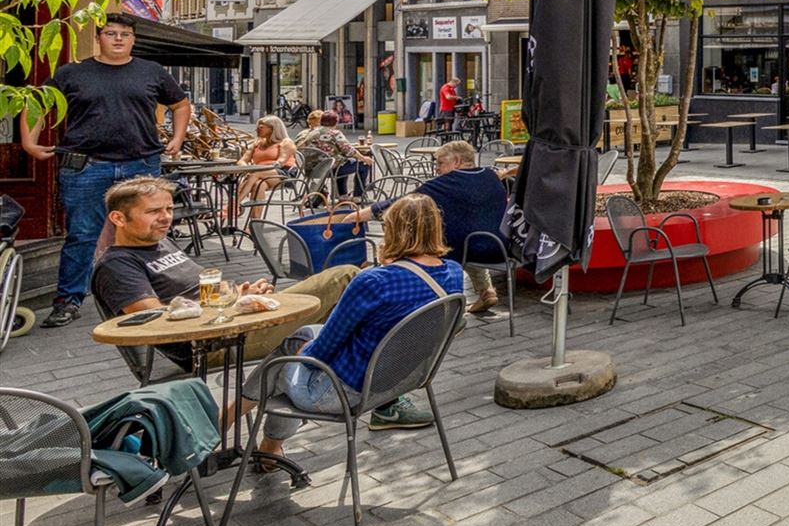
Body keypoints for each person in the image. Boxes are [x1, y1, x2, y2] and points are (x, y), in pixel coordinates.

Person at [20, 12, 193, 329]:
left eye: (124, 34)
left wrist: (178, 137)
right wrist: (29, 142)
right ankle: (69, 301)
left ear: (133, 39)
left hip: (141, 164)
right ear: (98, 37)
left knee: (148, 232)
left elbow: (180, 104)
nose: (118, 39)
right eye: (111, 33)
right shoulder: (72, 73)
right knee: (82, 236)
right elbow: (38, 104)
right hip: (87, 165)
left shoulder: (151, 71)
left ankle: (152, 294)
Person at [257, 194, 463, 456]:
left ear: (393, 230)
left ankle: (259, 437)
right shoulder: (454, 273)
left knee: (285, 356)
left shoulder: (374, 281)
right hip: (399, 382)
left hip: (343, 392)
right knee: (303, 336)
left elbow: (323, 349)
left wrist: (301, 355)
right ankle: (263, 441)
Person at [92, 177, 354, 370]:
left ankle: (335, 373)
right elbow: (155, 322)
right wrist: (230, 305)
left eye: (169, 209)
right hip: (215, 345)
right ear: (118, 218)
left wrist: (242, 293)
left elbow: (203, 292)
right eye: (153, 211)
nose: (166, 218)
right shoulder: (118, 265)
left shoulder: (159, 242)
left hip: (236, 320)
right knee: (345, 280)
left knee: (350, 289)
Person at [369, 139, 507, 314]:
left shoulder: (446, 183)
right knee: (468, 233)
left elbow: (401, 203)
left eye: (441, 163)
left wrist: (359, 215)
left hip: (466, 251)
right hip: (501, 246)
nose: (437, 169)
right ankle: (486, 290)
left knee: (432, 242)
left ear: (456, 161)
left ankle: (439, 302)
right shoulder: (490, 175)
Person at [297, 110, 373, 195]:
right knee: (362, 165)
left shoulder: (311, 133)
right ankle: (358, 196)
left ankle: (343, 195)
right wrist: (365, 158)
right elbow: (349, 150)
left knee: (343, 161)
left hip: (311, 170)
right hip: (329, 169)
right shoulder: (334, 133)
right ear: (336, 123)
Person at [235, 115, 299, 216]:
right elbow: (242, 160)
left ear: (273, 129)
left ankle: (235, 204)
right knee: (258, 185)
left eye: (261, 127)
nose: (257, 129)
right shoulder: (257, 143)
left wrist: (257, 170)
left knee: (256, 175)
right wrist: (248, 169)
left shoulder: (285, 142)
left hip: (284, 173)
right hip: (260, 175)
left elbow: (281, 161)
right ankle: (255, 224)